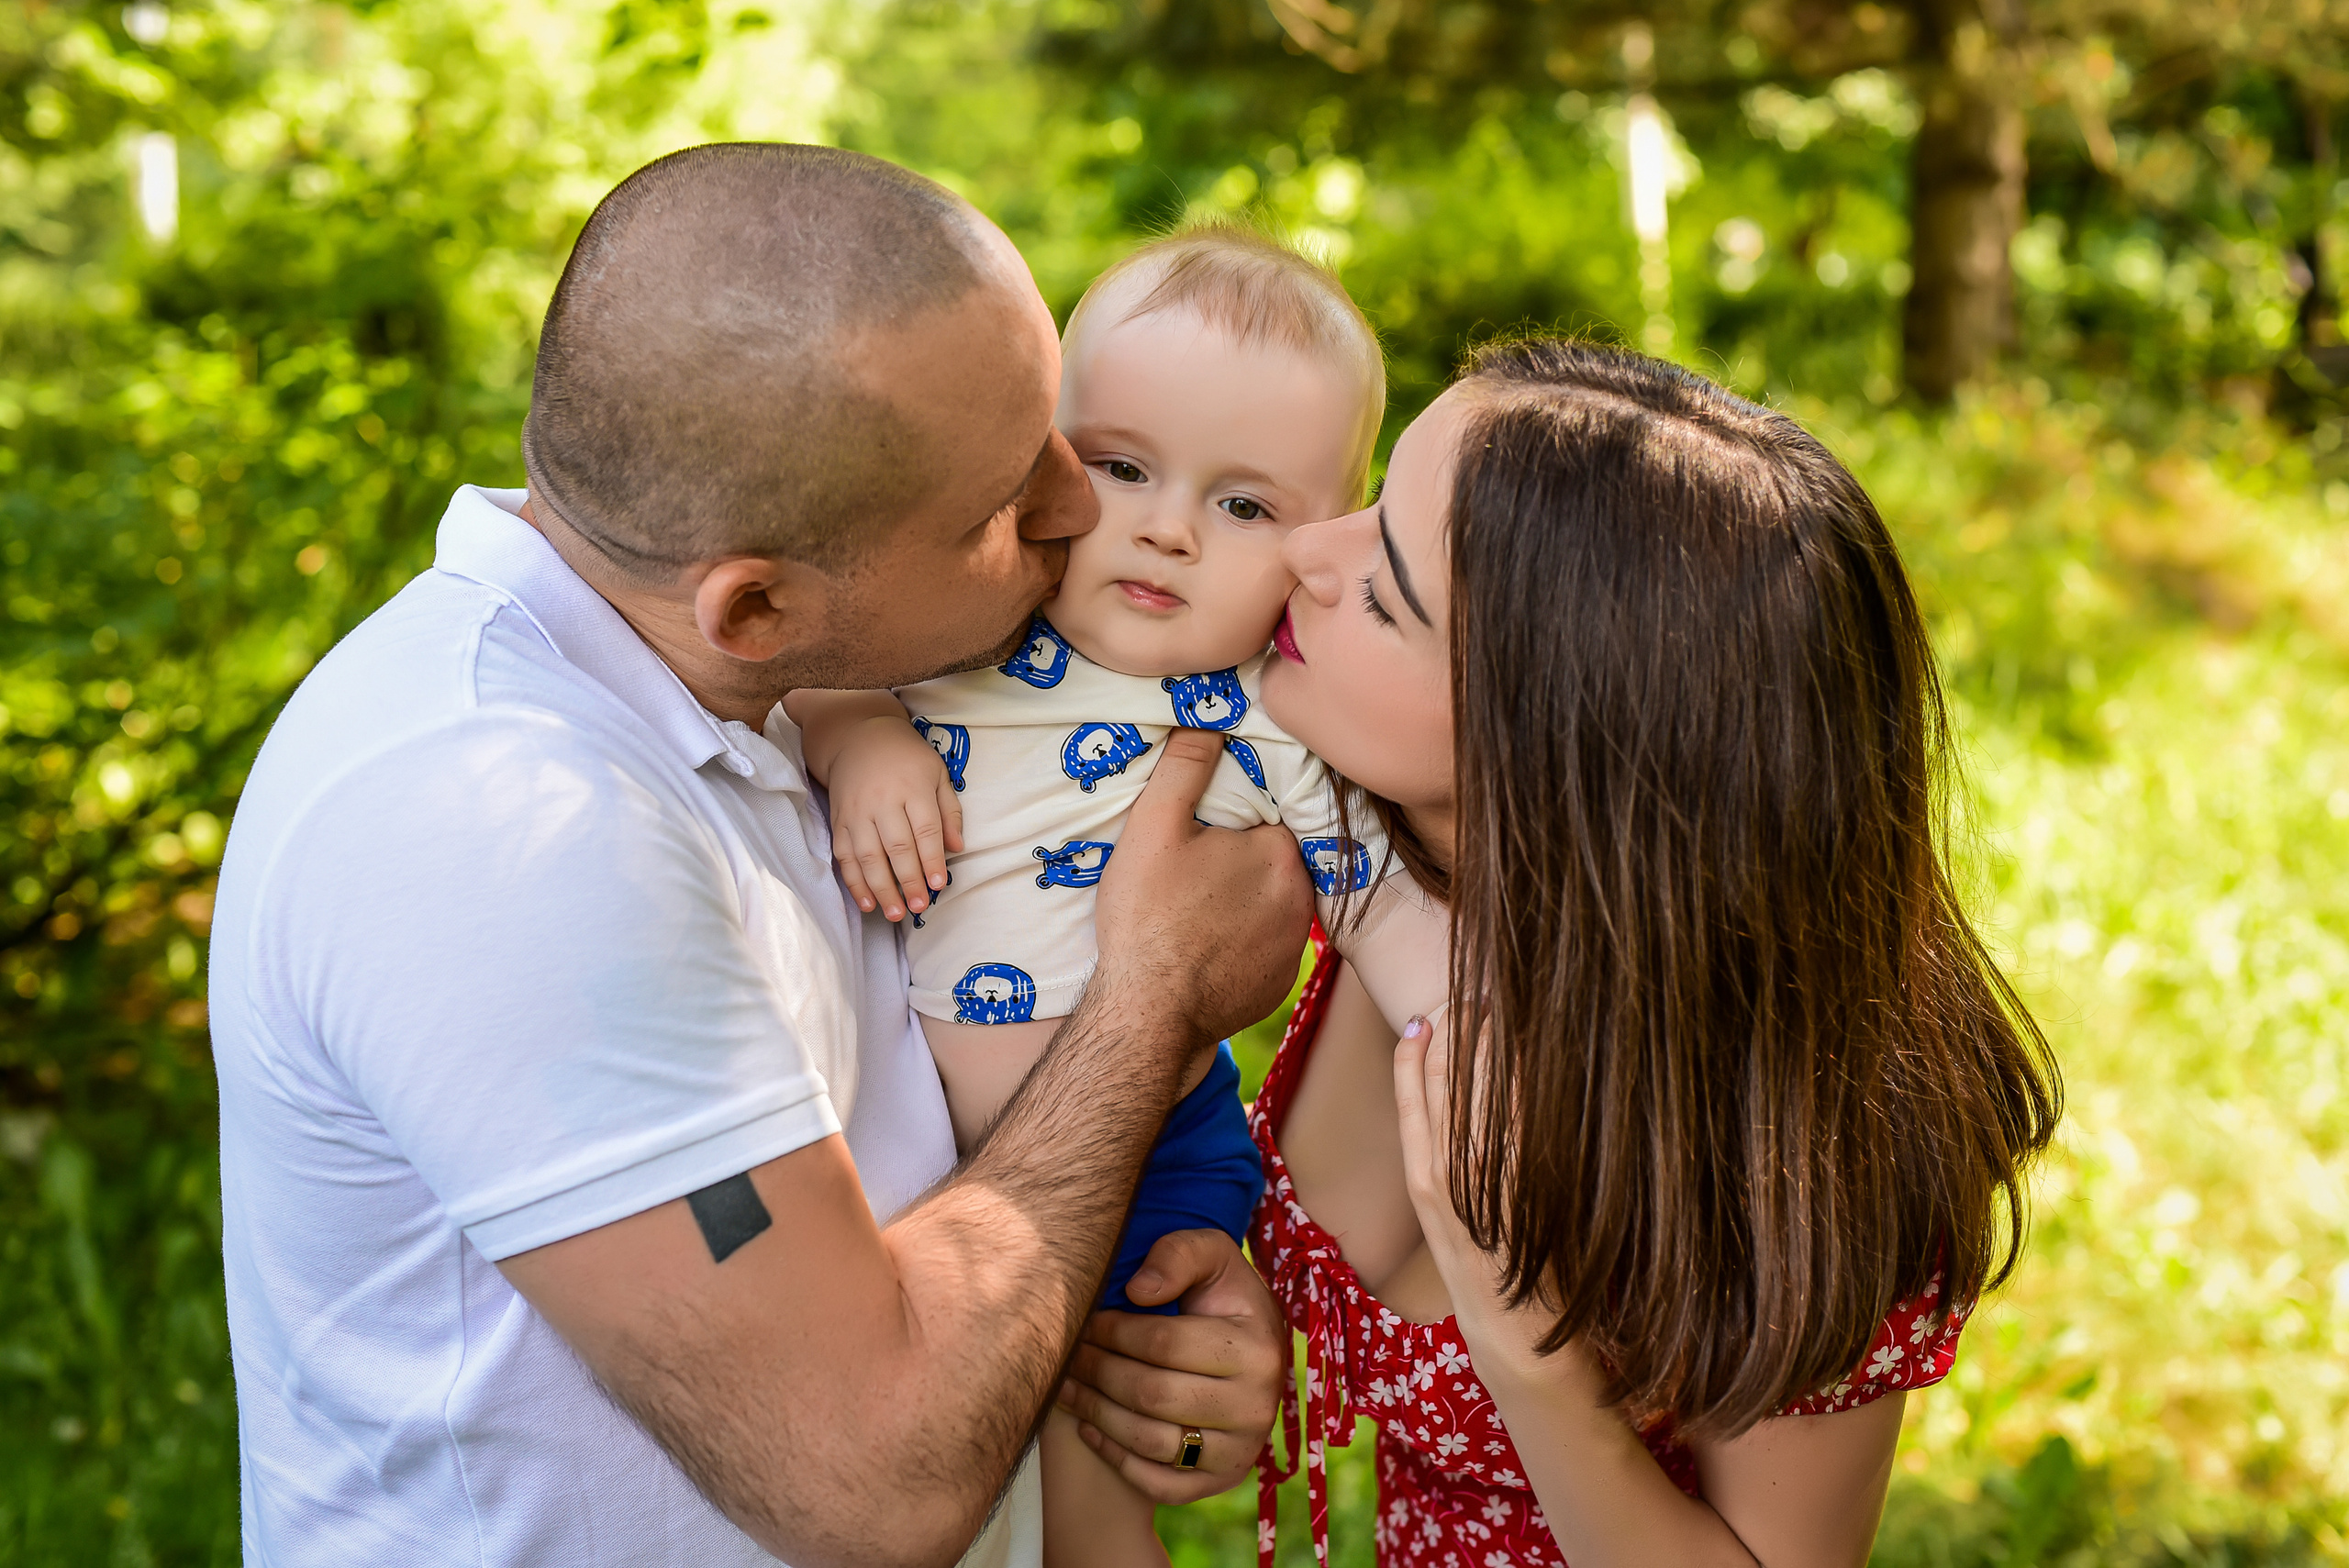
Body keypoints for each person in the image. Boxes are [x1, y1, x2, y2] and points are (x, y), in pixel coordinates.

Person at [206, 142, 1306, 1568]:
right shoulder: (499, 826)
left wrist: (1153, 1319)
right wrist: (1149, 996)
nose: (1075, 508)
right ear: (756, 607)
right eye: (997, 505)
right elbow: (873, 1474)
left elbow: (952, 1174)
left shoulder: (812, 686)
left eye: (1056, 433)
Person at [1064, 339, 2063, 1566]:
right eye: (1370, 506)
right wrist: (1218, 1356)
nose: (1305, 553)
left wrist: (1529, 1350)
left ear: (1543, 744)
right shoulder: (1347, 840)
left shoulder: (1791, 1121)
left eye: (1384, 591)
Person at [788, 223, 1441, 1565]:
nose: (1167, 526)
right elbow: (802, 672)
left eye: (1245, 504)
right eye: (1123, 465)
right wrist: (859, 737)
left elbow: (1387, 913)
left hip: (1144, 1148)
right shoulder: (956, 639)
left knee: (1093, 1488)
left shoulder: (1272, 720)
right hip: (901, 1142)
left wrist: (1468, 1034)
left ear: (1320, 543)